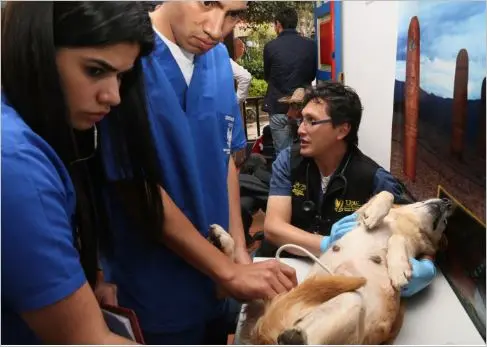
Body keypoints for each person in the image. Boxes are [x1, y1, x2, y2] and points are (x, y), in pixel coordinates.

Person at [100, 2, 297, 345]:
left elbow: (224, 159)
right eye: (208, 3)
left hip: (218, 285)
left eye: (233, 14)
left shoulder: (218, 60)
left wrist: (237, 250)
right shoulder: (121, 56)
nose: (216, 28)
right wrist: (227, 271)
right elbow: (136, 188)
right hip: (157, 284)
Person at [1, 2, 165, 344]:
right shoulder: (16, 163)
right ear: (37, 52)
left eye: (120, 76)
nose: (114, 96)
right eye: (94, 71)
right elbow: (91, 340)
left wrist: (85, 279)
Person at [264, 81, 437, 297]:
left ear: (342, 129)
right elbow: (273, 228)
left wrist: (425, 265)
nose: (300, 129)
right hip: (287, 268)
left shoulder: (374, 178)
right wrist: (330, 245)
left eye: (311, 121)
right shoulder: (288, 161)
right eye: (302, 119)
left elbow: (414, 229)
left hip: (341, 280)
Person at [263, 7, 317, 157]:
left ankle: (285, 180)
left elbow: (267, 76)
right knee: (307, 153)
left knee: (283, 156)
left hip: (279, 107)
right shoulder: (311, 45)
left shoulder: (270, 47)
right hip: (303, 108)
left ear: (278, 24)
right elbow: (312, 75)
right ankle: (304, 180)